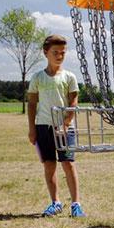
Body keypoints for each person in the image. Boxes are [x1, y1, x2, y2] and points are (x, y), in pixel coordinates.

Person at [27, 34, 84, 218]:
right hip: (44, 126)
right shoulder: (37, 78)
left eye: (63, 53)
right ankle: (55, 202)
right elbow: (32, 104)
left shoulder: (69, 77)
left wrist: (66, 123)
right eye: (55, 52)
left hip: (65, 128)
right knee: (49, 165)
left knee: (68, 163)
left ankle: (76, 204)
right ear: (45, 53)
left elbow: (73, 101)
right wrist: (32, 128)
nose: (59, 56)